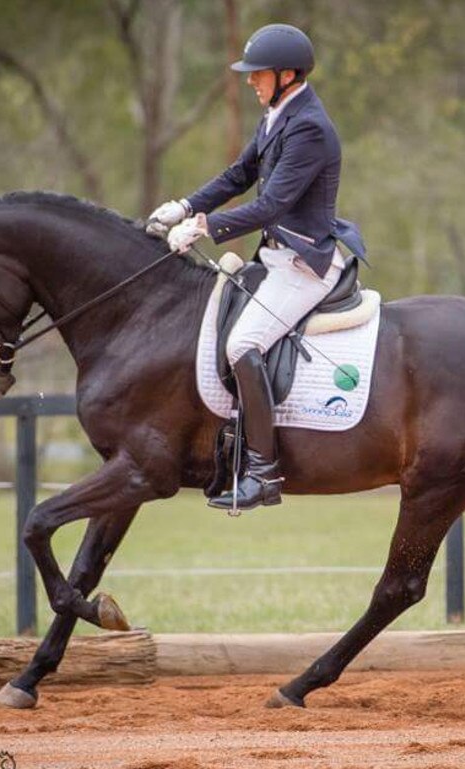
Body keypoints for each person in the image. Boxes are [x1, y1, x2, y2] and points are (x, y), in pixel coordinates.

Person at [147, 23, 366, 511]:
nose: (249, 81)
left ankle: (263, 472)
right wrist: (183, 206)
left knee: (244, 342)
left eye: (257, 74)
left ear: (287, 74)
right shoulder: (277, 115)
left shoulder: (309, 127)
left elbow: (271, 204)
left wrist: (203, 226)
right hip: (273, 258)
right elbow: (238, 175)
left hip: (304, 262)